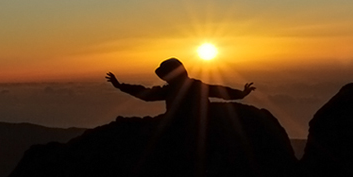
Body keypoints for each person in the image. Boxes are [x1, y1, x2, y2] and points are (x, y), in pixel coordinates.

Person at [106, 58, 255, 120]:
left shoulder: (170, 90)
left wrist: (120, 86)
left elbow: (146, 94)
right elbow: (218, 90)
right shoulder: (196, 86)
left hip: (178, 126)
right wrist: (241, 94)